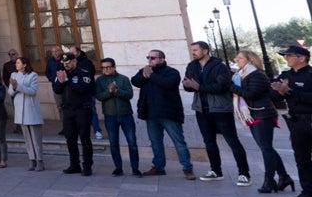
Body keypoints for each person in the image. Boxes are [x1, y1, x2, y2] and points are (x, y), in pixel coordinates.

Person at [183, 40, 250, 185]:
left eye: (196, 50)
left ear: (205, 51)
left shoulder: (219, 66)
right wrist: (188, 85)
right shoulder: (191, 66)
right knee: (209, 142)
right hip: (202, 109)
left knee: (233, 142)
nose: (193, 52)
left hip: (220, 109)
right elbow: (189, 84)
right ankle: (215, 171)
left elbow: (222, 86)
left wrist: (199, 86)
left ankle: (244, 173)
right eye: (192, 50)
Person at [231, 49, 293, 194]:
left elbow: (252, 94)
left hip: (263, 113)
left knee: (266, 148)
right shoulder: (241, 75)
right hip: (254, 113)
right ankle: (284, 177)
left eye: (240, 58)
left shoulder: (257, 75)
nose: (237, 59)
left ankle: (269, 180)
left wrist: (231, 87)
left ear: (250, 60)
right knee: (267, 148)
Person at [131, 50, 195, 180]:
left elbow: (169, 84)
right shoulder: (146, 70)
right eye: (148, 57)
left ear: (162, 59)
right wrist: (145, 76)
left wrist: (151, 76)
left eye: (153, 58)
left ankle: (187, 168)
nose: (150, 60)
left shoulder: (171, 72)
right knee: (155, 141)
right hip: (150, 113)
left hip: (168, 113)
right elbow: (135, 81)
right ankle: (159, 167)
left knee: (178, 141)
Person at [270, 44, 312, 197]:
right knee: (301, 158)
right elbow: (274, 97)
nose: (286, 58)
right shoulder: (286, 75)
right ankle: (308, 192)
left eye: (289, 55)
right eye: (285, 56)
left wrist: (291, 92)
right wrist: (279, 92)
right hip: (296, 122)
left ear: (302, 58)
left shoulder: (310, 74)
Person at [94, 57, 140, 177]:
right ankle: (118, 167)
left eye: (108, 67)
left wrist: (116, 91)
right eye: (103, 68)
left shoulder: (123, 79)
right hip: (110, 116)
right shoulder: (99, 81)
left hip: (126, 115)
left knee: (132, 143)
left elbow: (129, 95)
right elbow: (99, 96)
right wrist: (109, 92)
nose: (106, 69)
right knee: (113, 143)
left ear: (114, 67)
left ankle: (135, 168)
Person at [53, 52, 93, 175]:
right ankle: (74, 164)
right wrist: (61, 81)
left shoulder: (84, 73)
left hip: (82, 111)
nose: (66, 65)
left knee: (85, 139)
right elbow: (57, 90)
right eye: (64, 63)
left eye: (69, 62)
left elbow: (83, 89)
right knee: (70, 139)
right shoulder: (62, 73)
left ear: (74, 61)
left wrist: (67, 81)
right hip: (68, 111)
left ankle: (87, 166)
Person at [10, 57, 44, 171]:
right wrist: (14, 87)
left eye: (18, 63)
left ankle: (40, 160)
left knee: (35, 137)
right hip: (20, 109)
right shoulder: (14, 75)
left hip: (31, 108)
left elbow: (32, 91)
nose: (16, 65)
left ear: (24, 65)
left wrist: (18, 86)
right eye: (16, 63)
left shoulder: (32, 75)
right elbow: (10, 91)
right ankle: (31, 159)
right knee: (27, 137)